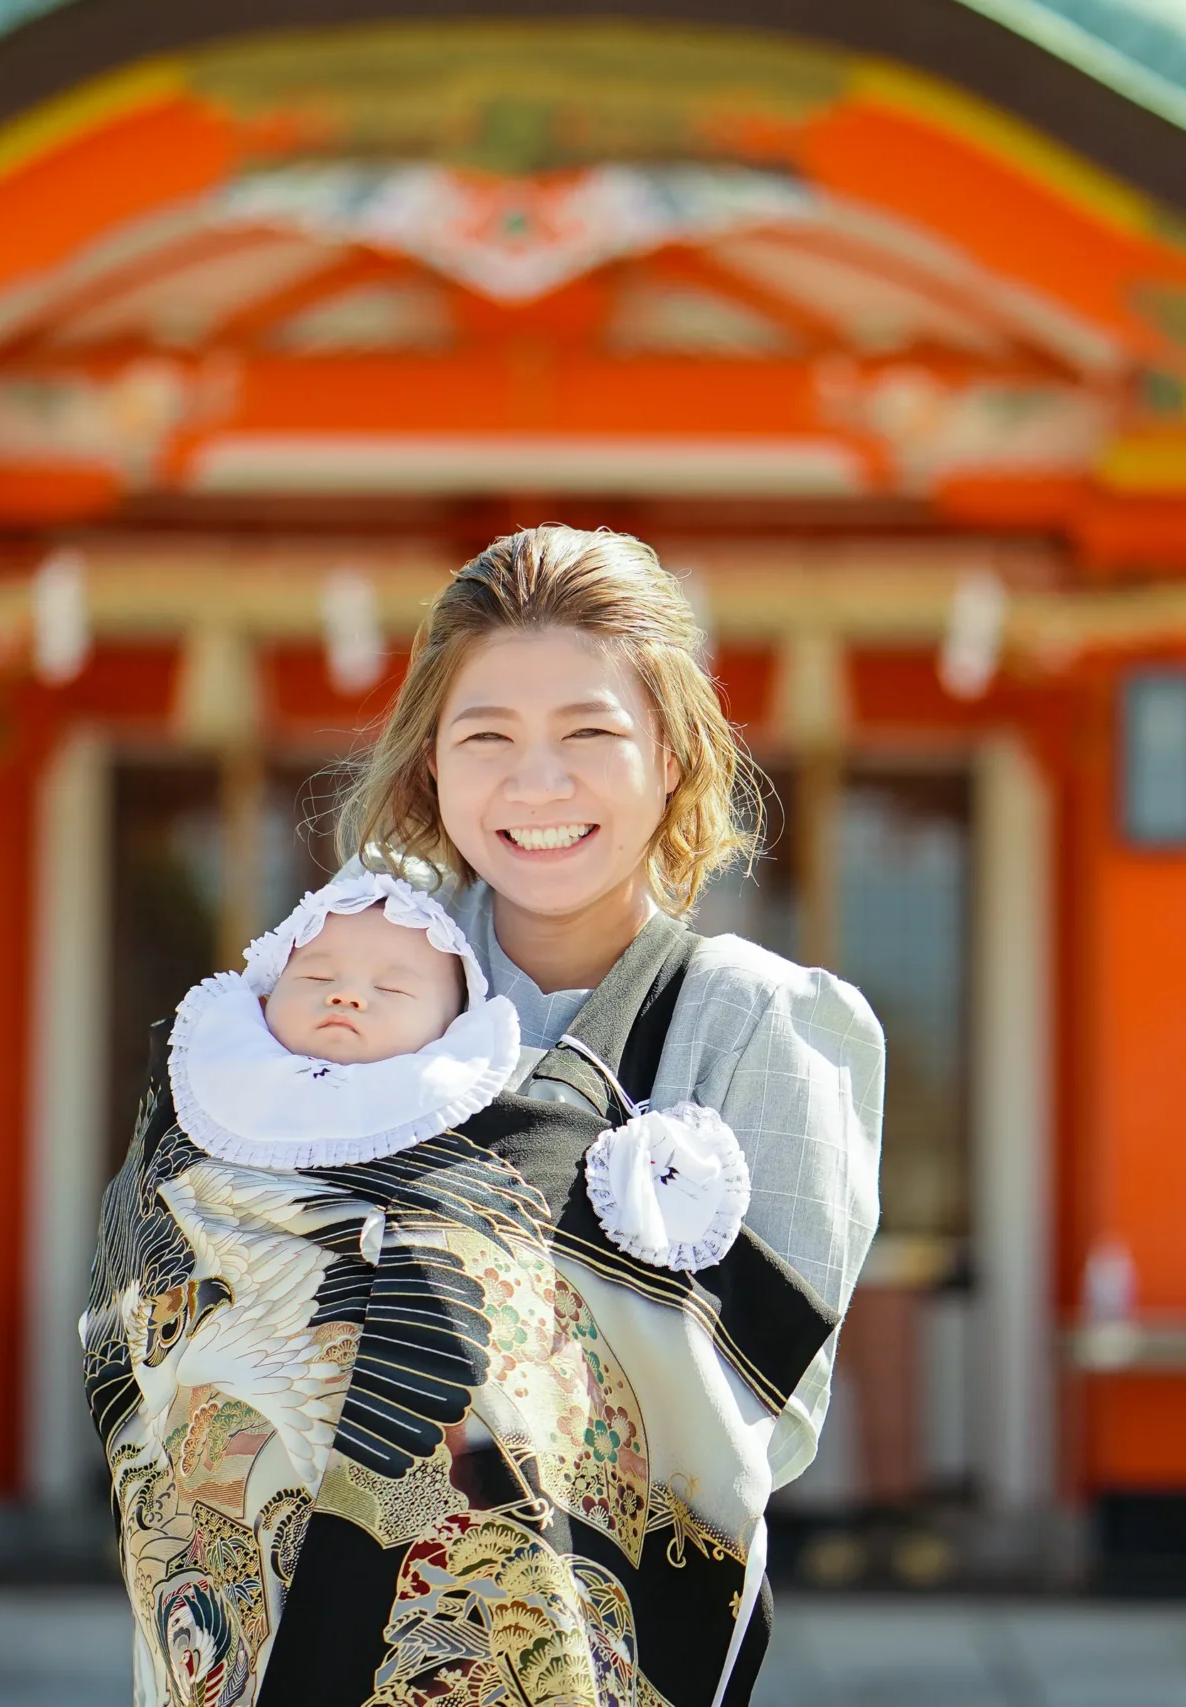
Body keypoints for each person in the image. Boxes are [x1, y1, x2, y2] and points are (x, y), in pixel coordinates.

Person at [83, 524, 883, 1707]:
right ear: (429, 768)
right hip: (270, 1627)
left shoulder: (763, 1026)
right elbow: (164, 1269)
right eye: (487, 736)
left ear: (672, 754)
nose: (537, 783)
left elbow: (746, 1428)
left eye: (590, 734)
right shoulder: (333, 982)